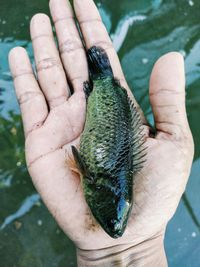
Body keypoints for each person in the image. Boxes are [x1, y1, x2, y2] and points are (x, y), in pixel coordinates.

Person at [8, 0, 194, 266]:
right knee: (102, 83)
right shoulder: (96, 185)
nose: (116, 230)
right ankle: (103, 81)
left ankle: (102, 82)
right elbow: (76, 159)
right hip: (109, 103)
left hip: (108, 112)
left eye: (110, 220)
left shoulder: (110, 190)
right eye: (111, 220)